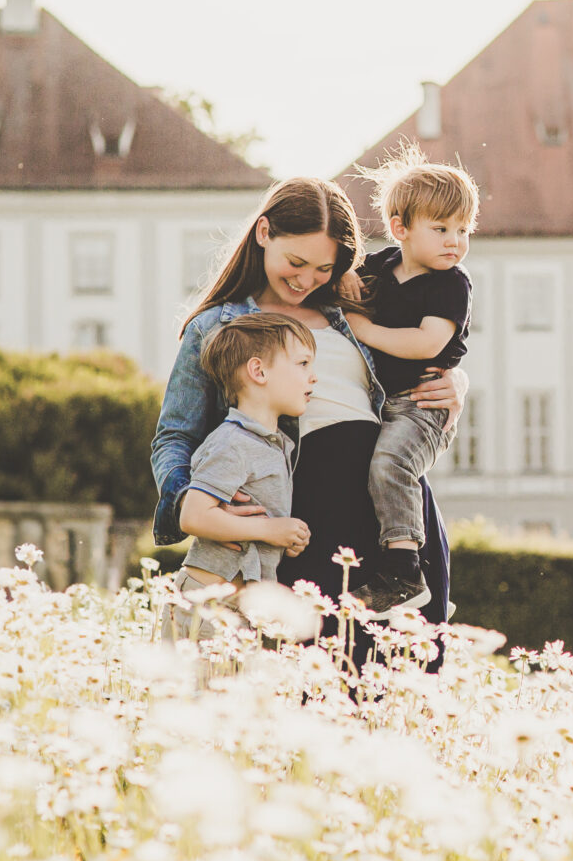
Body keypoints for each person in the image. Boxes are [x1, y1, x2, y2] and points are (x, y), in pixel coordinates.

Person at [150, 176, 466, 657]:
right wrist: (192, 502)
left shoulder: (356, 305)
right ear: (263, 234)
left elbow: (422, 350)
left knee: (404, 687)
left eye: (324, 268)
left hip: (392, 528)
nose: (306, 280)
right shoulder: (217, 326)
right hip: (304, 522)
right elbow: (174, 436)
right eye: (295, 263)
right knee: (315, 684)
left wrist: (456, 382)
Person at [337, 148, 475, 612]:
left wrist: (366, 330)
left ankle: (404, 570)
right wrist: (345, 282)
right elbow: (343, 283)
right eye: (441, 229)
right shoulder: (380, 267)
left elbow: (427, 344)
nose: (454, 241)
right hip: (385, 401)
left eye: (463, 230)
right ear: (401, 229)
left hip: (424, 404)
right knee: (378, 468)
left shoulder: (451, 283)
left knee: (390, 465)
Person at [174, 312, 315, 593]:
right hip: (207, 603)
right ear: (259, 371)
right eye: (303, 364)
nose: (314, 378)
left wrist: (285, 537)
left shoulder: (275, 444)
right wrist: (270, 531)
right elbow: (194, 517)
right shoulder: (232, 442)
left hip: (242, 607)